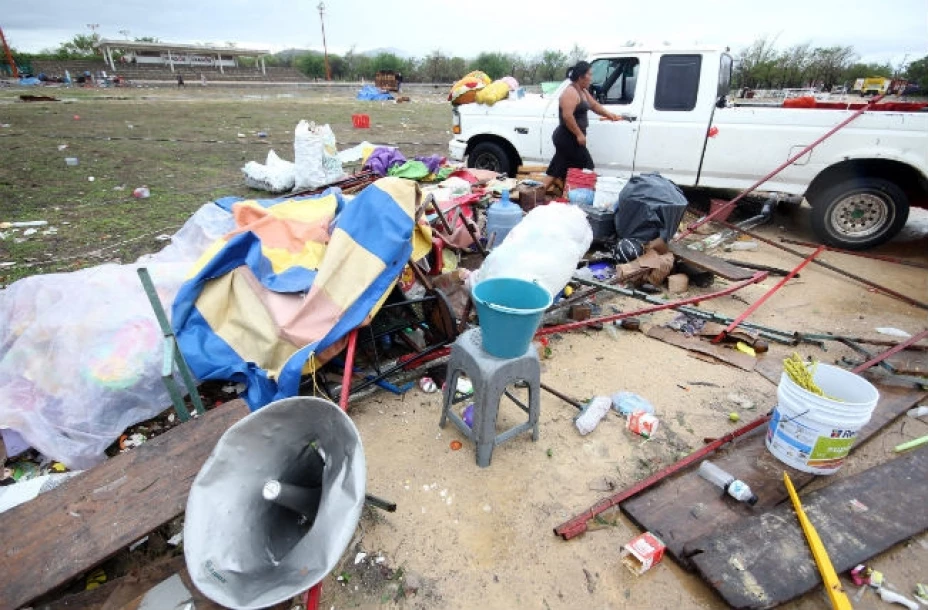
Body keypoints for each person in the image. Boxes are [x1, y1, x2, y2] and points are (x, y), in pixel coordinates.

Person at [542, 61, 624, 191]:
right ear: (581, 77)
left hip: (572, 137)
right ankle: (583, 195)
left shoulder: (582, 91)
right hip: (567, 137)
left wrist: (610, 115)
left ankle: (538, 193)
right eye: (589, 75)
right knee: (587, 166)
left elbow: (594, 105)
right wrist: (579, 134)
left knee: (557, 168)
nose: (591, 78)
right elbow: (567, 116)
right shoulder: (570, 92)